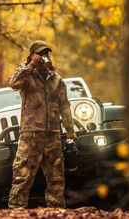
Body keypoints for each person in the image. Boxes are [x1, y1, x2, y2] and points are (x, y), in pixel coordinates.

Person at [8, 40, 77, 209]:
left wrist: (70, 130)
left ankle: (56, 211)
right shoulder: (25, 73)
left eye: (46, 53)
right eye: (41, 53)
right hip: (31, 133)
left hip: (52, 134)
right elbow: (13, 83)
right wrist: (31, 65)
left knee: (56, 177)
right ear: (32, 55)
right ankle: (16, 211)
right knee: (23, 175)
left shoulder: (56, 79)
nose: (44, 56)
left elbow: (64, 106)